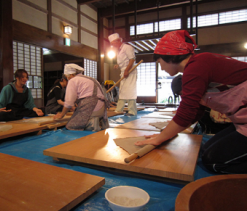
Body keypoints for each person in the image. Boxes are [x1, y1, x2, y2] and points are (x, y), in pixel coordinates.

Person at [135, 30, 247, 174]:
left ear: (168, 55)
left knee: (213, 162)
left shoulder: (197, 65)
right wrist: (164, 134)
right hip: (242, 122)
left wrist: (159, 139)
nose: (161, 68)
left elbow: (186, 112)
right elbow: (195, 112)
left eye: (159, 62)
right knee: (206, 149)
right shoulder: (195, 67)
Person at [54, 64, 109, 131]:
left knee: (71, 126)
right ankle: (96, 122)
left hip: (92, 110)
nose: (67, 79)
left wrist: (62, 115)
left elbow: (69, 103)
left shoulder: (73, 80)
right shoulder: (90, 79)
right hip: (102, 110)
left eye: (67, 77)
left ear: (71, 75)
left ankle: (91, 124)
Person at [108, 33, 137, 116]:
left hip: (130, 71)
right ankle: (119, 110)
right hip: (124, 71)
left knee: (130, 91)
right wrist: (118, 65)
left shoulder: (127, 47)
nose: (113, 46)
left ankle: (132, 111)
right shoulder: (118, 50)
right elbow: (123, 61)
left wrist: (127, 70)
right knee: (122, 91)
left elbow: (132, 60)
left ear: (118, 41)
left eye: (113, 44)